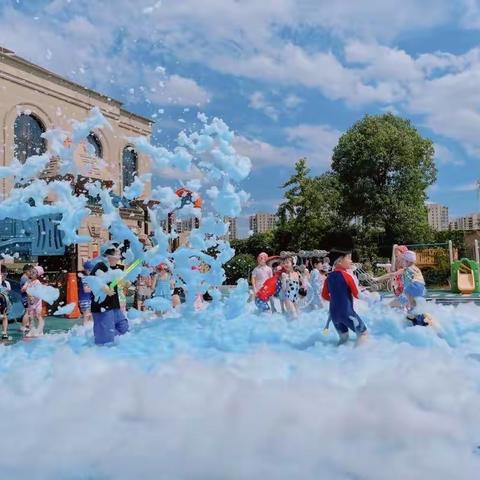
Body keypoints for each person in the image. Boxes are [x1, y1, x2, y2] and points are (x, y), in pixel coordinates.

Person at [321, 250, 368, 345]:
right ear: (339, 261)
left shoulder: (328, 278)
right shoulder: (347, 276)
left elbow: (324, 296)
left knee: (343, 338)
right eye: (349, 258)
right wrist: (370, 298)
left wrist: (336, 299)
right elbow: (357, 295)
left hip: (334, 316)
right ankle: (358, 357)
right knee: (363, 334)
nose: (351, 261)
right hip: (347, 314)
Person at [90, 244, 129, 345]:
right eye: (117, 253)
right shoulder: (100, 266)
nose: (119, 255)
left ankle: (117, 353)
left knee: (123, 329)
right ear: (108, 256)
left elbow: (128, 271)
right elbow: (92, 281)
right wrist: (105, 288)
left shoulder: (117, 267)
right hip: (102, 307)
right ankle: (102, 355)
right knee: (106, 339)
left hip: (114, 307)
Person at [401, 250, 430, 326]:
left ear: (407, 261)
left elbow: (407, 284)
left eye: (403, 260)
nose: (402, 262)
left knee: (410, 303)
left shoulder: (406, 269)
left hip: (413, 285)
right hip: (422, 287)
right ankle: (421, 318)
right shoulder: (417, 269)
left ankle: (413, 317)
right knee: (417, 305)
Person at [21, 265, 45, 337]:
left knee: (38, 316)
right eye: (31, 271)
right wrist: (24, 289)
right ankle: (31, 331)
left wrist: (32, 294)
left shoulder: (37, 282)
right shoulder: (28, 281)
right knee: (30, 317)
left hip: (37, 303)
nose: (31, 273)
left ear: (37, 275)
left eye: (34, 272)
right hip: (30, 304)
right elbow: (23, 289)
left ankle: (40, 330)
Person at [78, 260, 94, 325]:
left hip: (89, 299)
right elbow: (86, 290)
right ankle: (85, 329)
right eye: (90, 270)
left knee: (91, 315)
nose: (91, 272)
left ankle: (90, 329)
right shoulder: (84, 278)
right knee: (87, 315)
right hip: (84, 300)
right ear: (86, 270)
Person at [19, 264, 34, 334]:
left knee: (28, 312)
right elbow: (27, 289)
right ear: (26, 271)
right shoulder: (24, 278)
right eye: (30, 271)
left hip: (25, 298)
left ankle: (27, 325)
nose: (31, 273)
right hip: (26, 298)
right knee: (27, 312)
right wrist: (30, 298)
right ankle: (23, 326)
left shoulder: (25, 278)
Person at [0, 265, 12, 340]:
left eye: (5, 274)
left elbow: (8, 293)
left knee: (5, 317)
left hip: (4, 303)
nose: (4, 275)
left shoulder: (7, 283)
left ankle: (4, 332)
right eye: (3, 274)